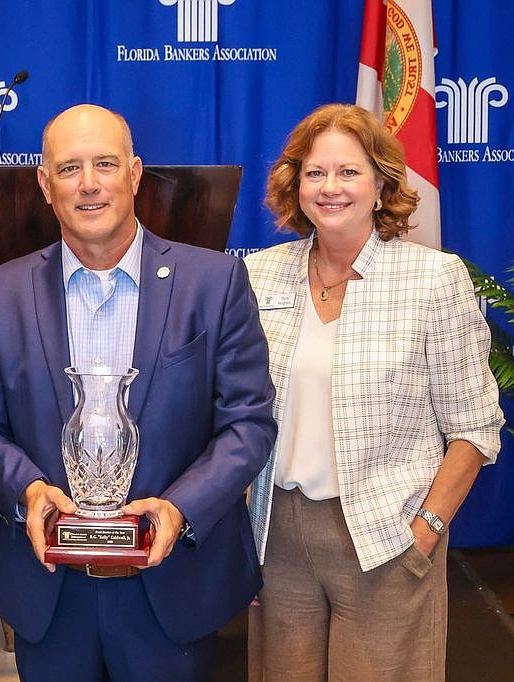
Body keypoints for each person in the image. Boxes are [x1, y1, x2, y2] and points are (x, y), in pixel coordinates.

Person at [0, 103, 277, 681]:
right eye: (69, 168)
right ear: (44, 184)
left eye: (104, 164)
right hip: (49, 589)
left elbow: (248, 424)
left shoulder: (215, 282)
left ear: (134, 173)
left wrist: (180, 509)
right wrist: (28, 491)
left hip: (174, 586)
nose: (88, 184)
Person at [244, 103, 504, 681]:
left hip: (388, 538)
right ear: (295, 184)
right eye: (315, 173)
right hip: (278, 538)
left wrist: (426, 531)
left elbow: (475, 427)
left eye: (348, 172)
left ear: (383, 184)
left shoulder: (433, 279)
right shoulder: (258, 276)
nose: (329, 188)